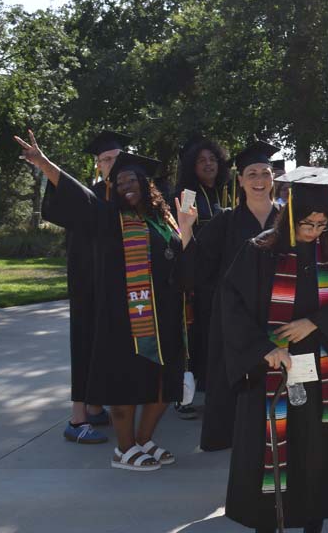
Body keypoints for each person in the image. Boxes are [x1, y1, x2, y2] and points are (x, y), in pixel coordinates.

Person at [17, 132, 196, 472]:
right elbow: (78, 197)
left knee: (161, 388)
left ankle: (144, 441)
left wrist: (185, 227)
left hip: (165, 319)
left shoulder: (163, 220)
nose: (127, 184)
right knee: (126, 386)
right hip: (124, 319)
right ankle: (124, 449)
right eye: (120, 180)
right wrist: (44, 164)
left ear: (146, 185)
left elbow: (186, 264)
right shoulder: (107, 219)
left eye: (134, 179)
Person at [219, 170, 328, 533]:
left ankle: (314, 521)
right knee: (271, 447)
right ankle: (267, 523)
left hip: (323, 371)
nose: (314, 231)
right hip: (271, 372)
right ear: (289, 215)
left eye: (321, 223)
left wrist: (314, 322)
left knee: (318, 451)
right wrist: (263, 347)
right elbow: (231, 302)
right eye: (306, 223)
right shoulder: (260, 250)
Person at [182, 141, 281, 451]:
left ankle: (274, 434)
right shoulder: (226, 220)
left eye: (265, 173)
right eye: (251, 173)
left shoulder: (287, 219)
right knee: (233, 377)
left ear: (273, 179)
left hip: (279, 312)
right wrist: (186, 229)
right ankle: (231, 437)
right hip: (234, 318)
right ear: (240, 180)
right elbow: (197, 263)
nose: (259, 180)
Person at [41, 129, 130, 445]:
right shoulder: (88, 194)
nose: (111, 164)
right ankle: (77, 419)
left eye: (117, 158)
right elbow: (60, 200)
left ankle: (94, 407)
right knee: (85, 345)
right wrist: (44, 164)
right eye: (105, 159)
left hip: (116, 284)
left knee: (105, 346)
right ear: (98, 165)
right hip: (88, 284)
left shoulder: (129, 196)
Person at [175, 135, 233, 418]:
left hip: (221, 275)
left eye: (212, 159)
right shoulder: (188, 194)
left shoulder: (225, 191)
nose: (208, 164)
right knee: (194, 336)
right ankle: (183, 397)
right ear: (192, 166)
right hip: (197, 276)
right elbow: (182, 234)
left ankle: (213, 389)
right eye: (201, 161)